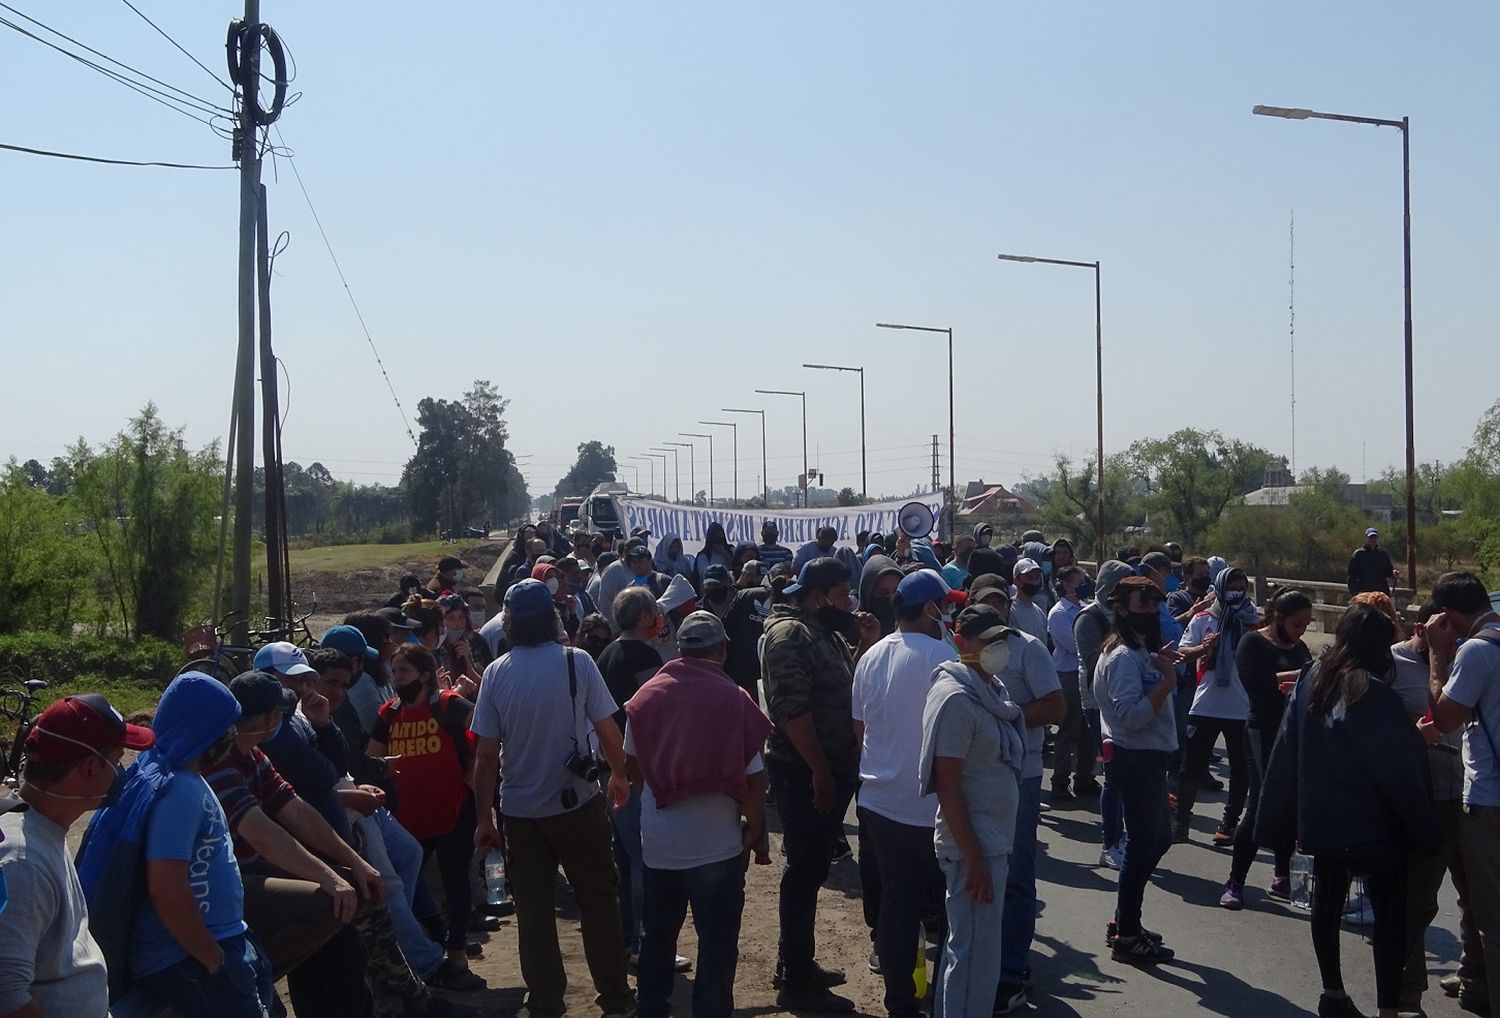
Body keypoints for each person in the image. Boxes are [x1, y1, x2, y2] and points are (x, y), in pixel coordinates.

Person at [1260, 603, 1437, 1018]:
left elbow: (1288, 747)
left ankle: (1332, 993)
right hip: (1373, 824)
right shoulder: (1374, 693)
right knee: (1389, 917)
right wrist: (1425, 830)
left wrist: (1279, 816)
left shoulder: (1311, 677)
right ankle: (1388, 1009)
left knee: (1327, 902)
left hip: (1321, 816)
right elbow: (1396, 770)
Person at [470, 579, 636, 1018]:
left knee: (534, 912)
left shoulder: (495, 672)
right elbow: (608, 731)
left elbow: (486, 756)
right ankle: (615, 997)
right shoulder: (576, 661)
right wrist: (618, 776)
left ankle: (546, 1000)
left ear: (508, 622)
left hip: (519, 815)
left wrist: (483, 818)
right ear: (552, 618)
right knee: (599, 901)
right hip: (578, 805)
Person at [76, 672, 276, 1015]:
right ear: (206, 732)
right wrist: (214, 960)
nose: (231, 737)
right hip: (188, 956)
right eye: (225, 728)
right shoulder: (179, 791)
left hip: (209, 944)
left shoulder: (173, 775)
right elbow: (166, 887)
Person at [626, 611, 773, 1018]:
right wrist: (755, 831)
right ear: (722, 650)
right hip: (717, 846)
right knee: (717, 946)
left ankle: (651, 1010)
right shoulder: (733, 698)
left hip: (660, 844)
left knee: (657, 939)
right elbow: (755, 781)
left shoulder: (647, 696)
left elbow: (634, 770)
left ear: (680, 649)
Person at [761, 557, 872, 1013]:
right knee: (804, 870)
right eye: (844, 593)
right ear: (820, 594)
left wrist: (865, 645)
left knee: (811, 869)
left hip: (829, 767)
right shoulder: (790, 636)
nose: (849, 602)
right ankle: (794, 972)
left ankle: (796, 961)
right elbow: (793, 713)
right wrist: (820, 773)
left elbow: (843, 689)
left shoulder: (820, 631)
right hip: (803, 771)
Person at [0, 695, 153, 1018]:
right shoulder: (20, 862)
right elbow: (7, 998)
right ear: (89, 768)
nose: (121, 771)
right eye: (116, 758)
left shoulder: (42, 828)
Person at [852, 570, 958, 1018]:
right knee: (954, 909)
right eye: (945, 606)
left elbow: (859, 729)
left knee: (899, 902)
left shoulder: (872, 655)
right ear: (931, 610)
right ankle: (950, 999)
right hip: (931, 807)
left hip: (878, 800)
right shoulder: (945, 655)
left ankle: (900, 1003)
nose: (949, 613)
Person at [923, 603, 1026, 1017]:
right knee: (971, 958)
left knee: (980, 953)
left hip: (991, 841)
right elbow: (947, 786)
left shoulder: (991, 690)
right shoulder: (955, 700)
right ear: (961, 642)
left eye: (1001, 639)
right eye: (988, 640)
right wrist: (976, 859)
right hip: (973, 849)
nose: (997, 647)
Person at [1390, 600, 1479, 1016]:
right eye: (1446, 627)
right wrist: (1437, 657)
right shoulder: (1392, 663)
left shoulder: (1469, 659)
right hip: (1425, 799)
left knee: (1477, 897)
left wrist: (1448, 654)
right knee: (1418, 901)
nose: (1453, 636)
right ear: (1423, 626)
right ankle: (1406, 996)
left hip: (1470, 796)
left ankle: (1475, 976)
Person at [368, 645, 479, 976]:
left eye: (404, 671)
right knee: (407, 885)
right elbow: (372, 758)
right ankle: (430, 942)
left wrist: (476, 775)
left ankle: (457, 951)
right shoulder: (388, 713)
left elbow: (487, 736)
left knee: (455, 880)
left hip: (454, 808)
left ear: (425, 675)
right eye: (394, 671)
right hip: (409, 814)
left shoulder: (448, 706)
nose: (397, 678)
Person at [1094, 576, 1182, 965]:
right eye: (1143, 605)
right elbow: (1129, 715)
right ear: (1122, 608)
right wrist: (1166, 684)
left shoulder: (1140, 649)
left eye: (1155, 606)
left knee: (1159, 838)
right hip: (1137, 757)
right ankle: (1127, 934)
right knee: (1145, 843)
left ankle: (1125, 918)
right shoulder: (1122, 657)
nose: (1151, 612)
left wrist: (1165, 667)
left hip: (1150, 756)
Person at [1426, 571, 1500, 1018]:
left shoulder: (1476, 651)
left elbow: (1443, 719)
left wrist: (1438, 657)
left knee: (1492, 916)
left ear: (1449, 616)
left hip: (1490, 800)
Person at [990, 581, 1064, 1012]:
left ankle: (1011, 971)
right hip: (972, 777)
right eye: (985, 602)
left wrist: (1003, 718)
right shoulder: (958, 648)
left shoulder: (1028, 648)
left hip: (1022, 774)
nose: (994, 610)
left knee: (1016, 878)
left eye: (1000, 602)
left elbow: (1055, 707)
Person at [1219, 589, 1313, 910]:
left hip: (1292, 734)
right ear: (1279, 618)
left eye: (1306, 625)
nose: (1301, 631)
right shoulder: (1253, 643)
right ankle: (1235, 881)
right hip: (1261, 731)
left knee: (1291, 805)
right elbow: (1259, 686)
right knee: (1260, 804)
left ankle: (1282, 873)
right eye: (1297, 623)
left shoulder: (1299, 648)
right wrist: (1304, 675)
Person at [597, 587, 665, 961]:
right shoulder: (643, 655)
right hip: (634, 771)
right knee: (644, 860)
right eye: (654, 611)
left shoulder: (607, 653)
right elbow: (656, 713)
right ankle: (644, 942)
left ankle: (628, 938)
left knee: (625, 859)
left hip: (611, 770)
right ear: (642, 617)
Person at [1174, 567, 1259, 845]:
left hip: (1241, 706)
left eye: (1241, 586)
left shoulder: (1252, 621)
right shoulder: (1202, 620)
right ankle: (1182, 823)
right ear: (1220, 587)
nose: (1237, 591)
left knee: (1240, 769)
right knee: (1190, 768)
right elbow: (1182, 654)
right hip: (1206, 704)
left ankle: (1229, 823)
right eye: (1232, 586)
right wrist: (1203, 649)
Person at [1076, 560, 1134, 864]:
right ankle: (1109, 844)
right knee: (1113, 778)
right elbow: (1093, 660)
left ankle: (1123, 836)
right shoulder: (1090, 617)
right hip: (1098, 705)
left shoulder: (1127, 615)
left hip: (1125, 703)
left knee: (1125, 777)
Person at [1047, 565, 1089, 801]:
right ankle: (1060, 781)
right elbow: (1075, 646)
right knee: (1069, 727)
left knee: (1088, 731)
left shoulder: (1084, 609)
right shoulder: (1059, 613)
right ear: (1066, 585)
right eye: (1079, 582)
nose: (1083, 586)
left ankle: (1084, 778)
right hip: (1068, 675)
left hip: (1084, 673)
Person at [859, 551, 904, 639]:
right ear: (868, 593)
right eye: (883, 593)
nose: (891, 598)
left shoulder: (911, 627)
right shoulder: (853, 630)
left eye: (895, 591)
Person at [1348, 527, 1398, 596]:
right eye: (1370, 537)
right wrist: (1354, 592)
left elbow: (1388, 572)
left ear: (1377, 538)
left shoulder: (1383, 554)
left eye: (1375, 537)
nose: (1373, 539)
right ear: (1366, 538)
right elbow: (1352, 575)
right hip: (1364, 592)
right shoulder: (1358, 554)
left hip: (1380, 592)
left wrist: (1393, 573)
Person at [694, 522, 735, 587]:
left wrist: (724, 553)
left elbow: (737, 567)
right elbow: (704, 575)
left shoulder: (731, 550)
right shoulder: (703, 556)